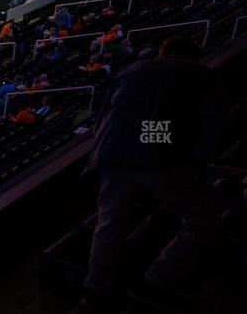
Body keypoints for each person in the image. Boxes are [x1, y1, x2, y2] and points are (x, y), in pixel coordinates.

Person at [84, 37, 228, 311]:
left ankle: (95, 291)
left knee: (108, 224)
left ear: (164, 53)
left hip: (111, 152)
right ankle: (155, 281)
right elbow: (210, 123)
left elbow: (103, 118)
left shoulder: (131, 71)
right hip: (151, 152)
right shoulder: (198, 74)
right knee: (204, 218)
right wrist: (195, 164)